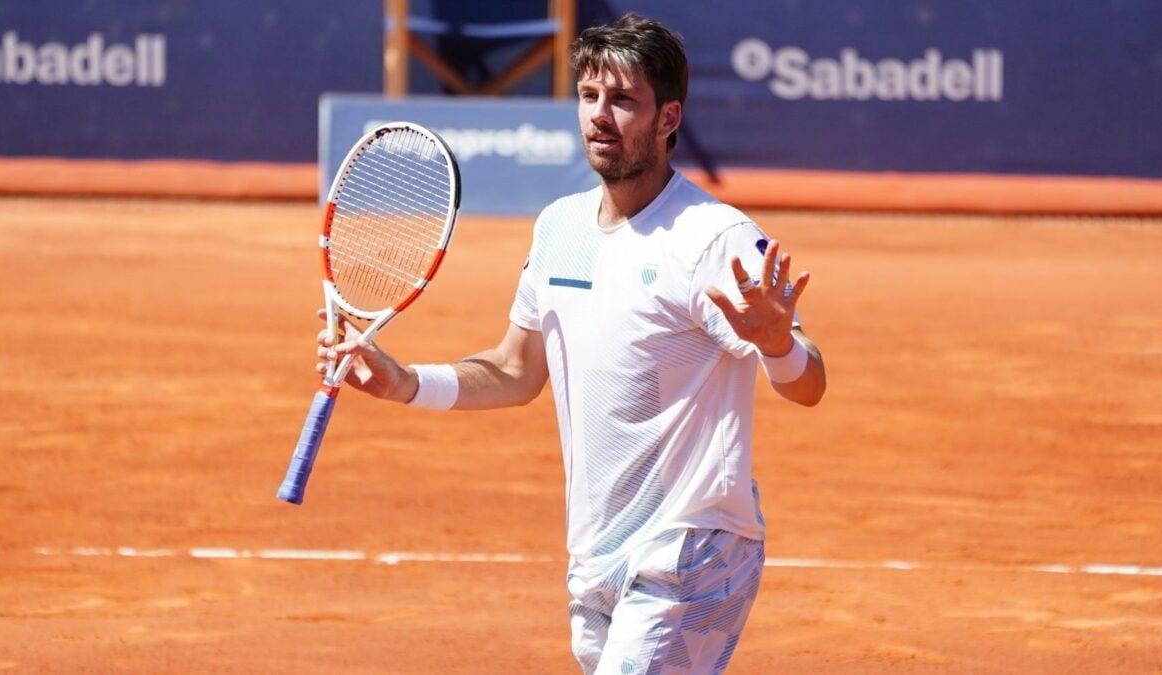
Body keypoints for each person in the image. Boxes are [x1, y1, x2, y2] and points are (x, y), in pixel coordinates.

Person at [317, 12, 826, 673]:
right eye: (589, 96)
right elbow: (514, 369)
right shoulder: (559, 227)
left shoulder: (712, 238)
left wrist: (778, 345)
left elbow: (809, 382)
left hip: (690, 546)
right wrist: (406, 381)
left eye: (623, 100)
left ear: (669, 117)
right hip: (596, 553)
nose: (600, 117)